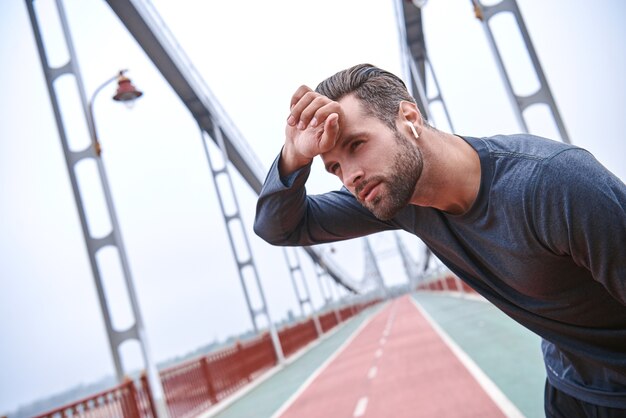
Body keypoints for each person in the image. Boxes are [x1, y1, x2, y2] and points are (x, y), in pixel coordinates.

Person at [253, 63, 626, 416]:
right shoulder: (396, 199)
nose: (350, 176)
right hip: (567, 386)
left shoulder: (552, 184)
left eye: (356, 145)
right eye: (334, 168)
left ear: (410, 119)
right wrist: (294, 157)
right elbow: (280, 227)